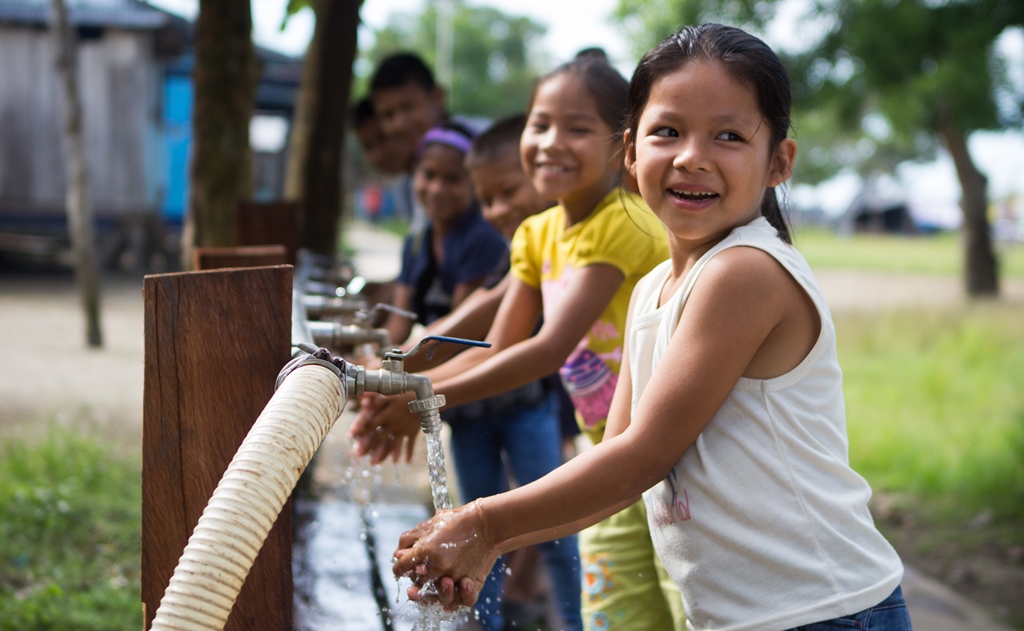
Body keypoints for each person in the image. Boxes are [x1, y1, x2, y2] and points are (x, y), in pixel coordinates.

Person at [390, 24, 912, 631]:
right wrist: (493, 542)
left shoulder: (745, 272)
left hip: (823, 611)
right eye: (668, 132)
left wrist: (483, 524)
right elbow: (615, 470)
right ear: (631, 153)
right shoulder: (650, 291)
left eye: (729, 135)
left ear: (779, 162)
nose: (692, 155)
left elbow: (642, 458)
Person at [352, 56, 684, 631]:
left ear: (621, 145)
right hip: (609, 454)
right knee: (619, 615)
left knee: (687, 609)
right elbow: (496, 344)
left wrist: (422, 399)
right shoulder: (537, 232)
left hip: (677, 454)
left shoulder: (624, 221)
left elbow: (549, 349)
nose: (552, 142)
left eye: (577, 128)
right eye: (540, 124)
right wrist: (404, 382)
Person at [380, 121, 582, 631]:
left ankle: (572, 620)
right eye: (489, 198)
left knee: (554, 526)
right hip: (470, 412)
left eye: (507, 192)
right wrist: (393, 372)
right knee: (475, 526)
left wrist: (415, 388)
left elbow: (497, 341)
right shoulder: (431, 240)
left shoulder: (499, 243)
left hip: (525, 403)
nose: (497, 209)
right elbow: (468, 337)